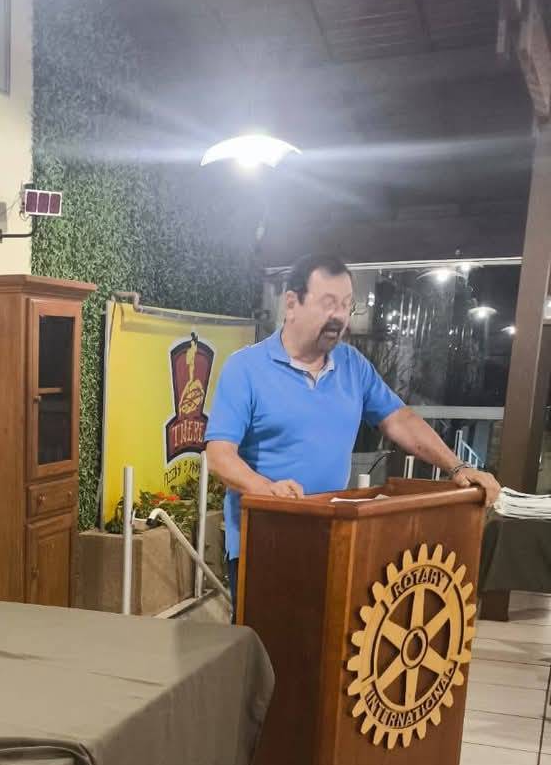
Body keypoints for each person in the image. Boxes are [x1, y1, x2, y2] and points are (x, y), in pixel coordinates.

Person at [205, 253, 501, 599]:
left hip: (335, 536)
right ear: (291, 303)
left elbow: (399, 419)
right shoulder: (246, 368)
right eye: (328, 303)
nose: (339, 316)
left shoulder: (353, 364)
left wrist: (457, 466)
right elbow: (220, 455)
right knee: (264, 646)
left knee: (329, 646)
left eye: (347, 305)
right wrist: (264, 487)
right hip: (264, 539)